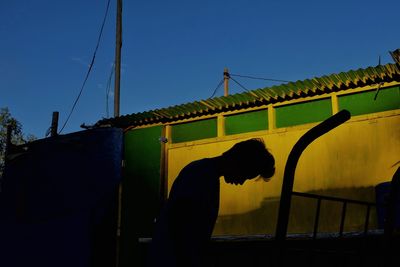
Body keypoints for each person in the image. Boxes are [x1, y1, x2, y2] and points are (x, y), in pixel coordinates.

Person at [149, 138, 275, 267]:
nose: (241, 182)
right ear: (238, 162)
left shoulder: (202, 174)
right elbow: (181, 230)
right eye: (245, 175)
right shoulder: (201, 177)